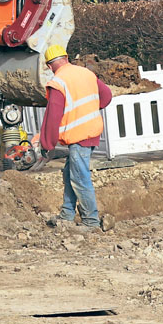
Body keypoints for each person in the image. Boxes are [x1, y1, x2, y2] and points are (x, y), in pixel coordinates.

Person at [38, 45, 114, 232]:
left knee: (79, 178)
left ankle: (91, 221)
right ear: (66, 57)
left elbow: (52, 116)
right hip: (92, 130)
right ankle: (67, 214)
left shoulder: (59, 82)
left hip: (79, 136)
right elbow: (106, 96)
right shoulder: (86, 73)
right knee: (69, 173)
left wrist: (46, 144)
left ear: (49, 66)